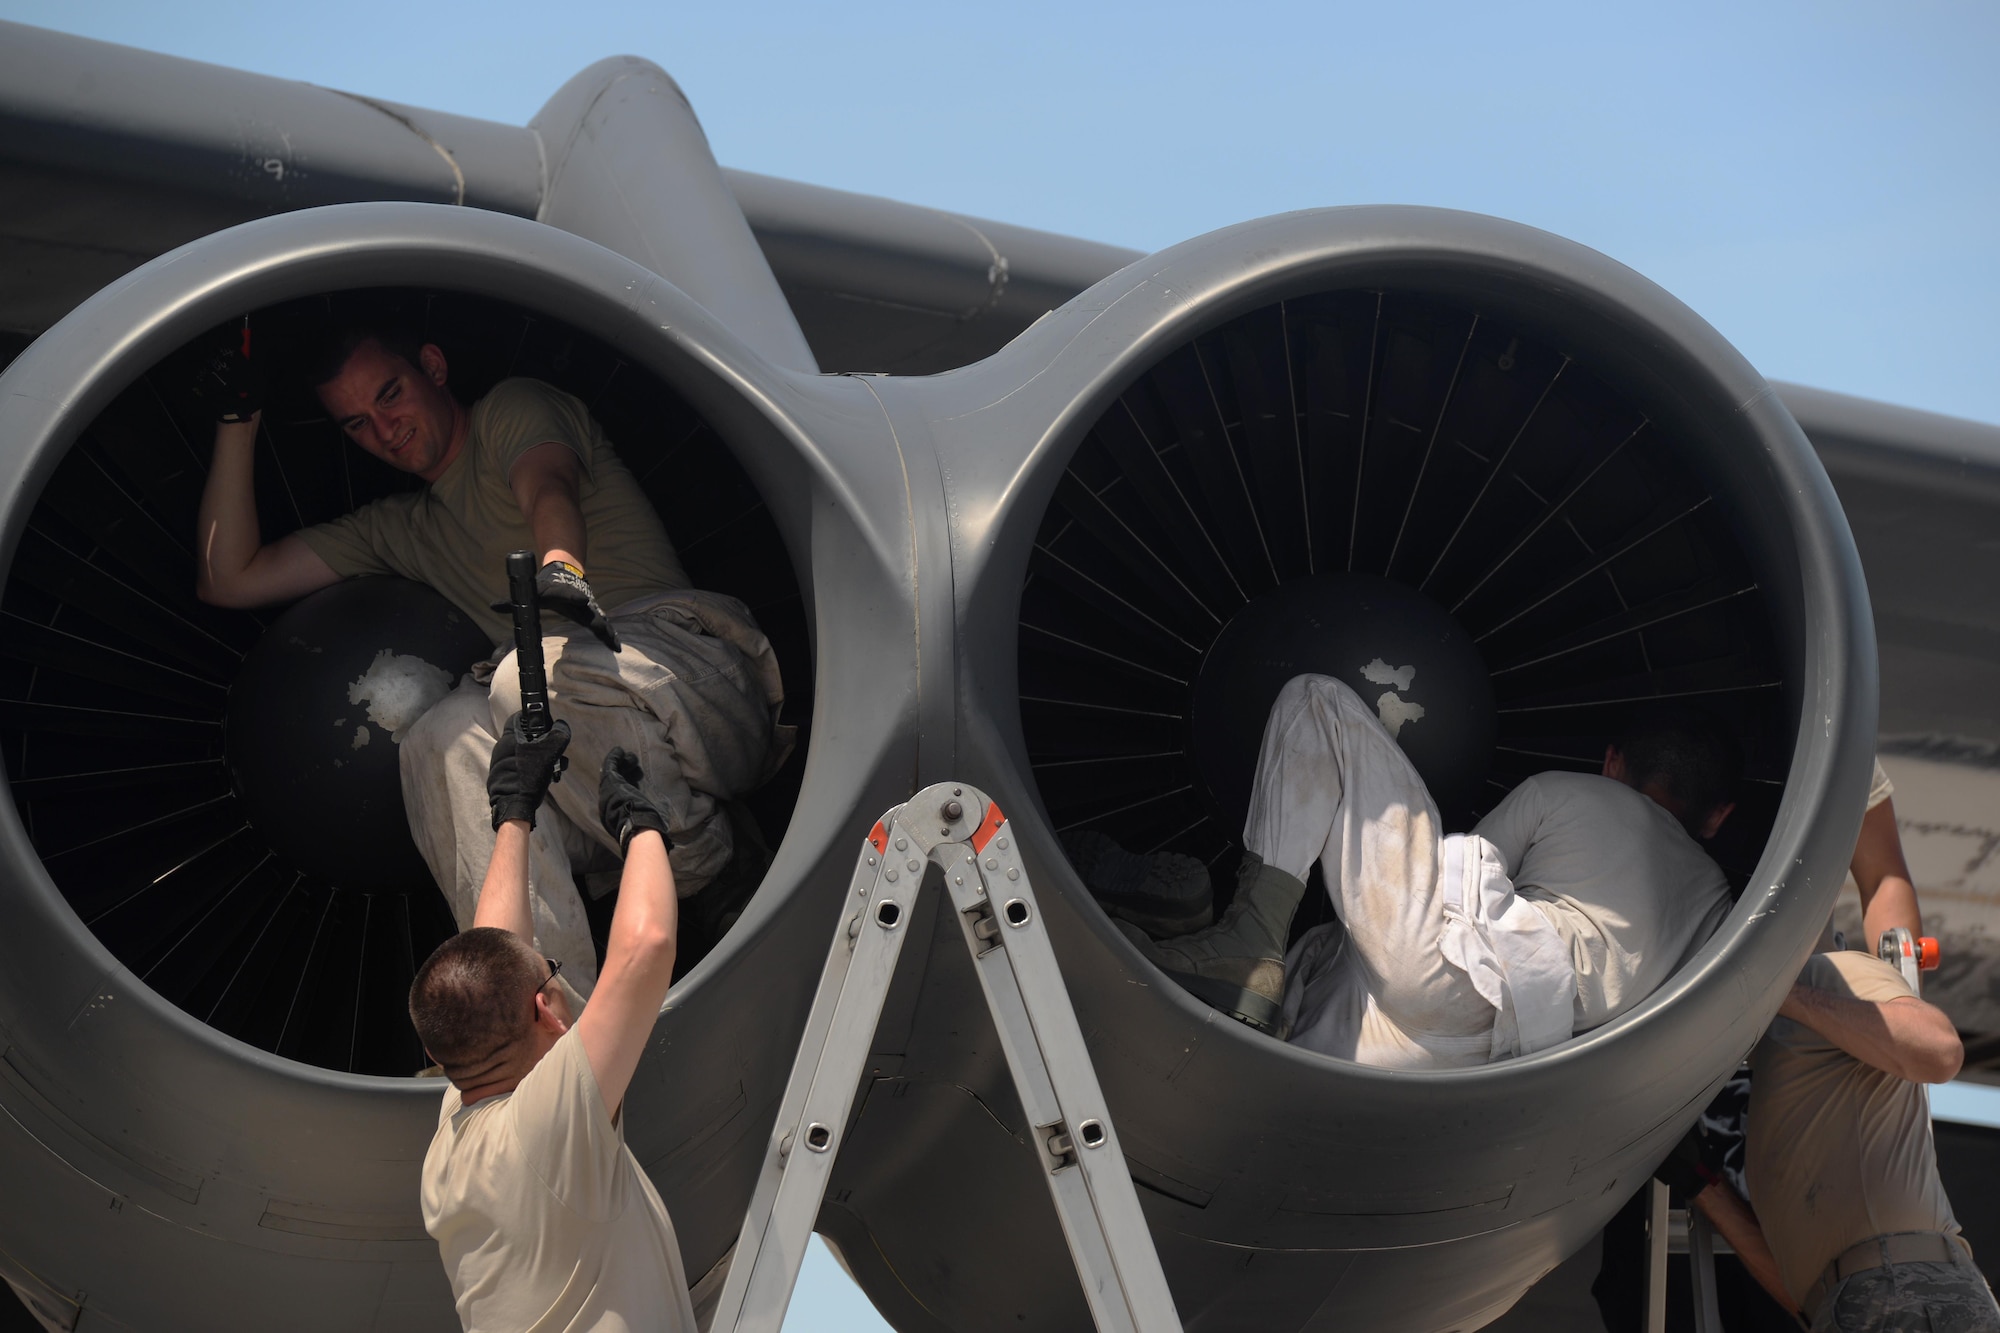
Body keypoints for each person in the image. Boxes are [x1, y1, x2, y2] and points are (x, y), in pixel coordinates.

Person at [191, 325, 794, 991]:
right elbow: (230, 577)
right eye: (358, 423)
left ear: (434, 365)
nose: (385, 429)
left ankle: (714, 871)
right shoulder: (401, 529)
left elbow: (547, 485)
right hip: (591, 773)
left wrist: (561, 568)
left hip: (687, 676)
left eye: (391, 395)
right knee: (437, 737)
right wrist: (237, 420)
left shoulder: (512, 409)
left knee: (527, 675)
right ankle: (543, 1006)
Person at [1120, 674, 1737, 1068]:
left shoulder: (1574, 792)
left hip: (1463, 978)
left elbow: (1457, 880)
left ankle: (1245, 935)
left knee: (1317, 700)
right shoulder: (1717, 904)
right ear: (1718, 817)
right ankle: (1248, 975)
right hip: (1494, 1055)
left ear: (1612, 763)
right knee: (1285, 1042)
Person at [410, 714, 697, 1332]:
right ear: (546, 1009)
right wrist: (641, 827)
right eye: (553, 972)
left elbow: (493, 953)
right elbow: (645, 946)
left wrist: (513, 813)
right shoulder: (548, 1130)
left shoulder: (455, 1133)